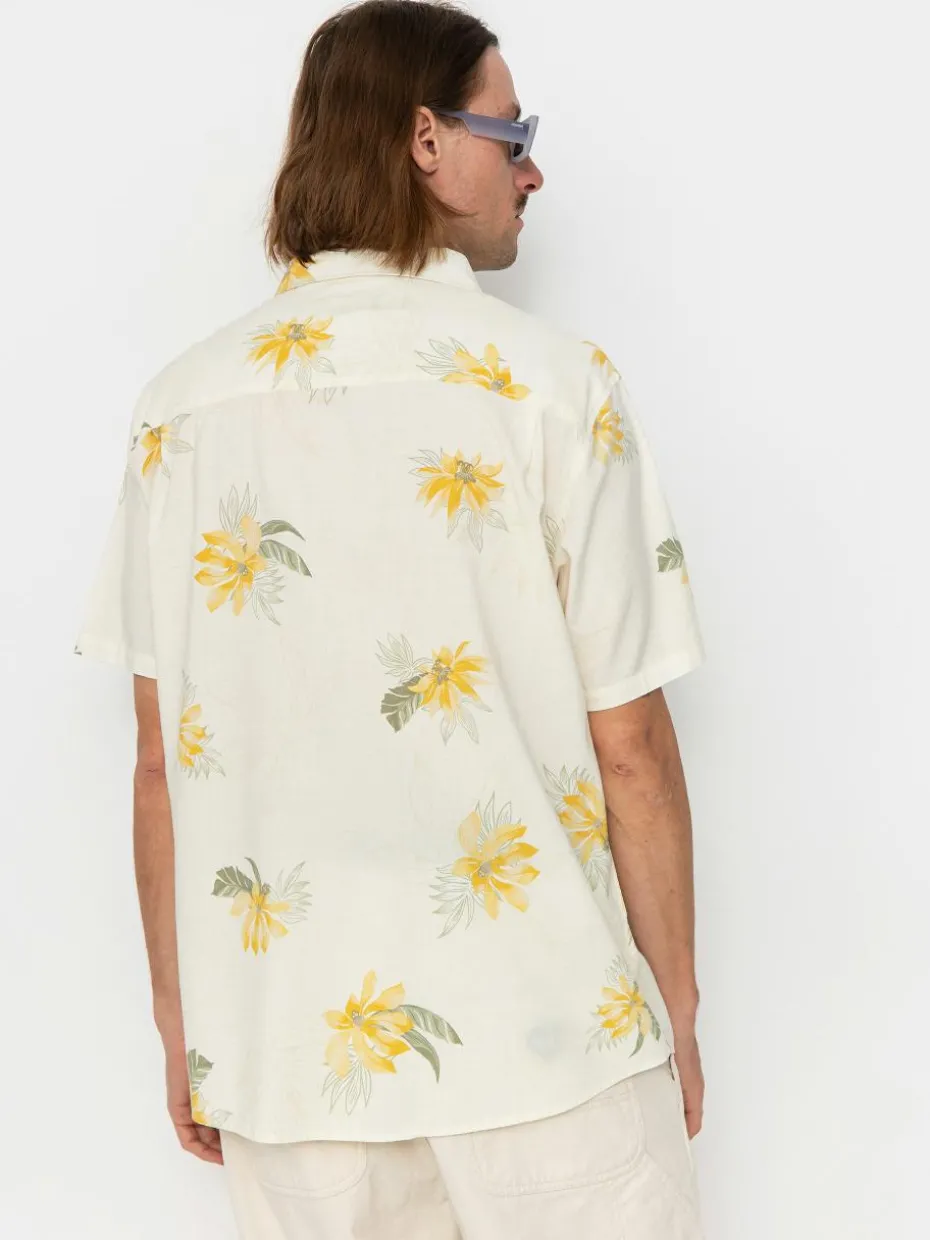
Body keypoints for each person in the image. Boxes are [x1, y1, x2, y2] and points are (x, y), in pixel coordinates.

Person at [74, 2, 709, 1235]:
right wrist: (675, 1002)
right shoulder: (555, 389)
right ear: (425, 140)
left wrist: (184, 1021)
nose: (532, 170)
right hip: (553, 1044)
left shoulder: (181, 410)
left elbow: (160, 762)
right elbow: (631, 746)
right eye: (512, 132)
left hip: (290, 1060)